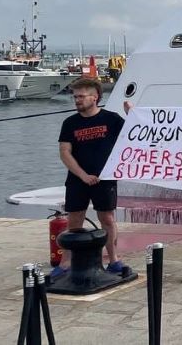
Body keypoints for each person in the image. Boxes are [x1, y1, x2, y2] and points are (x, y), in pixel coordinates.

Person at [57, 78, 126, 277]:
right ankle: (66, 263)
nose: (76, 100)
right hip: (78, 179)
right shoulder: (70, 123)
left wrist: (132, 112)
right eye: (75, 96)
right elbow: (64, 152)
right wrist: (83, 175)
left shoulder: (112, 119)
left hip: (105, 178)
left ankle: (113, 259)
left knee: (107, 218)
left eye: (81, 96)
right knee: (74, 220)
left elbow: (134, 134)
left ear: (94, 97)